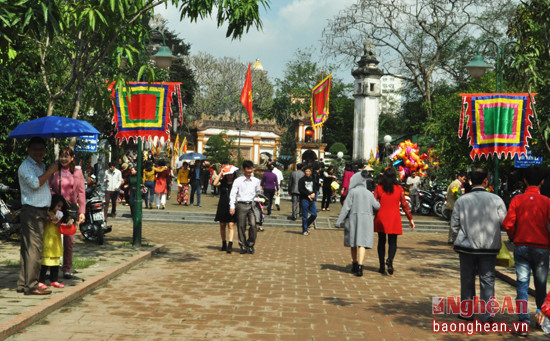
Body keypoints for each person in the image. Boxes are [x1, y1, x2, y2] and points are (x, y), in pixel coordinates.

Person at [451, 168, 507, 323]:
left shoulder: (462, 200)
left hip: (466, 247)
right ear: (486, 181)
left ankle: (467, 313)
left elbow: (454, 225)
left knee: (467, 279)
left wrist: (458, 239)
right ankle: (487, 315)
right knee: (487, 280)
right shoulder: (496, 200)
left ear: (470, 181)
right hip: (489, 248)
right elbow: (504, 223)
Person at [503, 166, 550, 333]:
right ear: (542, 181)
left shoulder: (517, 200)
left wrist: (516, 236)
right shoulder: (547, 202)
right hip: (542, 249)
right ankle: (541, 317)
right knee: (541, 285)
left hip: (521, 247)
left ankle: (523, 322)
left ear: (525, 180)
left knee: (522, 285)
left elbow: (507, 224)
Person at [17, 137, 58, 295]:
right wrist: (50, 172)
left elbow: (41, 191)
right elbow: (35, 184)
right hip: (31, 212)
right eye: (35, 149)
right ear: (29, 150)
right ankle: (32, 285)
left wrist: (46, 210)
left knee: (28, 248)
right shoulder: (26, 167)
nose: (38, 152)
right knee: (35, 248)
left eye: (41, 149)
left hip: (39, 210)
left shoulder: (40, 165)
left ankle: (23, 283)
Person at [49, 147, 86, 280]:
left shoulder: (77, 172)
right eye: (62, 156)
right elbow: (48, 187)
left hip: (70, 210)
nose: (64, 158)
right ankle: (49, 267)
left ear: (71, 158)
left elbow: (81, 192)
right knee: (52, 238)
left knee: (69, 240)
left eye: (67, 156)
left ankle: (66, 268)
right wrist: (57, 198)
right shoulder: (54, 171)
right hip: (56, 209)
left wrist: (82, 211)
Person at [335, 170, 380, 276]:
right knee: (362, 244)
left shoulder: (352, 192)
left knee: (353, 243)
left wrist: (339, 221)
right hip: (366, 221)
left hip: (353, 220)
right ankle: (360, 266)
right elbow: (377, 206)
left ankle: (354, 263)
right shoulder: (369, 193)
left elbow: (346, 208)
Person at [374, 167, 415, 275]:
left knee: (381, 242)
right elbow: (404, 205)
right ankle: (390, 260)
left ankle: (382, 266)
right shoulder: (399, 189)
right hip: (394, 217)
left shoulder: (379, 188)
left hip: (381, 216)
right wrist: (410, 218)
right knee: (393, 242)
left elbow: (373, 202)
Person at [229, 160, 261, 255]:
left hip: (252, 205)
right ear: (244, 169)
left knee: (253, 225)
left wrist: (259, 200)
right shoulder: (238, 181)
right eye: (248, 169)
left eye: (251, 168)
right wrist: (232, 206)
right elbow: (233, 194)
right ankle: (242, 245)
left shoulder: (256, 181)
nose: (250, 171)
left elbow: (258, 192)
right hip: (241, 205)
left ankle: (250, 244)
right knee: (241, 226)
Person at [39, 194, 70, 289]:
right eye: (58, 206)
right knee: (45, 262)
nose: (59, 208)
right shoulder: (47, 213)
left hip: (56, 241)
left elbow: (66, 221)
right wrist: (49, 218)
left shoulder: (59, 215)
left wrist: (69, 222)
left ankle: (54, 280)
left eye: (61, 207)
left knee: (56, 262)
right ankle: (41, 280)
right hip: (47, 241)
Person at [213, 167, 238, 254]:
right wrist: (220, 173)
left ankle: (230, 244)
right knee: (222, 224)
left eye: (231, 174)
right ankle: (224, 243)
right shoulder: (223, 182)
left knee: (231, 225)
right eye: (228, 174)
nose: (230, 176)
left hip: (232, 206)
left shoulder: (236, 183)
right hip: (222, 205)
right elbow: (215, 183)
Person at [446, 171, 467, 243]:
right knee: (454, 223)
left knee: (454, 222)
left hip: (453, 205)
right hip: (453, 206)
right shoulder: (456, 184)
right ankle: (452, 238)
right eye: (464, 178)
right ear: (459, 177)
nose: (465, 179)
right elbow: (456, 194)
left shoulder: (456, 183)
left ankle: (452, 238)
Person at [298, 166, 319, 236]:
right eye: (306, 171)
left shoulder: (312, 180)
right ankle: (304, 230)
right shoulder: (301, 180)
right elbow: (301, 190)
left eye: (309, 171)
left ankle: (306, 225)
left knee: (314, 214)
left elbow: (315, 188)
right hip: (304, 199)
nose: (307, 173)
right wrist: (308, 195)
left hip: (312, 200)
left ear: (311, 172)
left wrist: (314, 193)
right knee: (305, 215)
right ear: (304, 172)